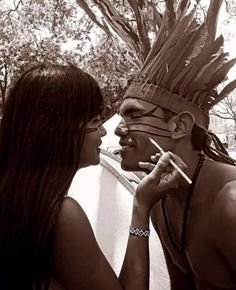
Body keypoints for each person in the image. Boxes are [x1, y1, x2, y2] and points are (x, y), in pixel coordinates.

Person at [0, 63, 185, 290]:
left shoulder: (17, 200)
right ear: (61, 129)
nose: (107, 131)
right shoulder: (59, 215)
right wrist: (142, 207)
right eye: (96, 121)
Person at [115, 0, 236, 289]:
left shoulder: (230, 203)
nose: (119, 129)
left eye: (133, 114)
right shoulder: (160, 201)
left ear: (180, 126)